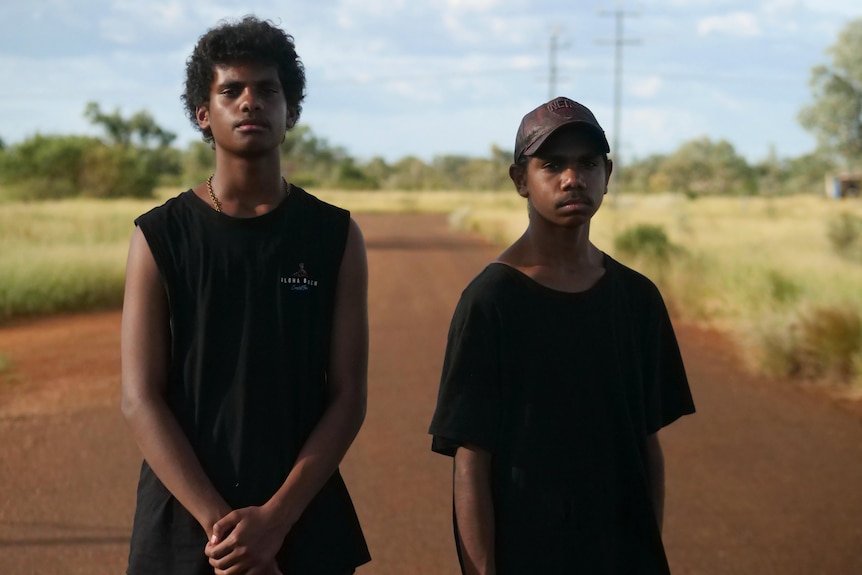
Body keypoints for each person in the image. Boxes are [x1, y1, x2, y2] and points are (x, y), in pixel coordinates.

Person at [121, 16, 370, 575]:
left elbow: (349, 396)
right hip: (185, 529)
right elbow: (140, 398)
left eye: (268, 89)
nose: (250, 101)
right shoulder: (159, 236)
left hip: (303, 521)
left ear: (291, 112)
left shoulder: (333, 236)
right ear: (203, 114)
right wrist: (228, 532)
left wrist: (276, 521)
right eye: (231, 89)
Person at [428, 97, 696, 574]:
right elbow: (471, 458)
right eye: (552, 165)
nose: (573, 179)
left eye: (588, 164)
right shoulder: (491, 302)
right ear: (520, 180)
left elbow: (646, 443)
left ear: (607, 175)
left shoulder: (637, 300)